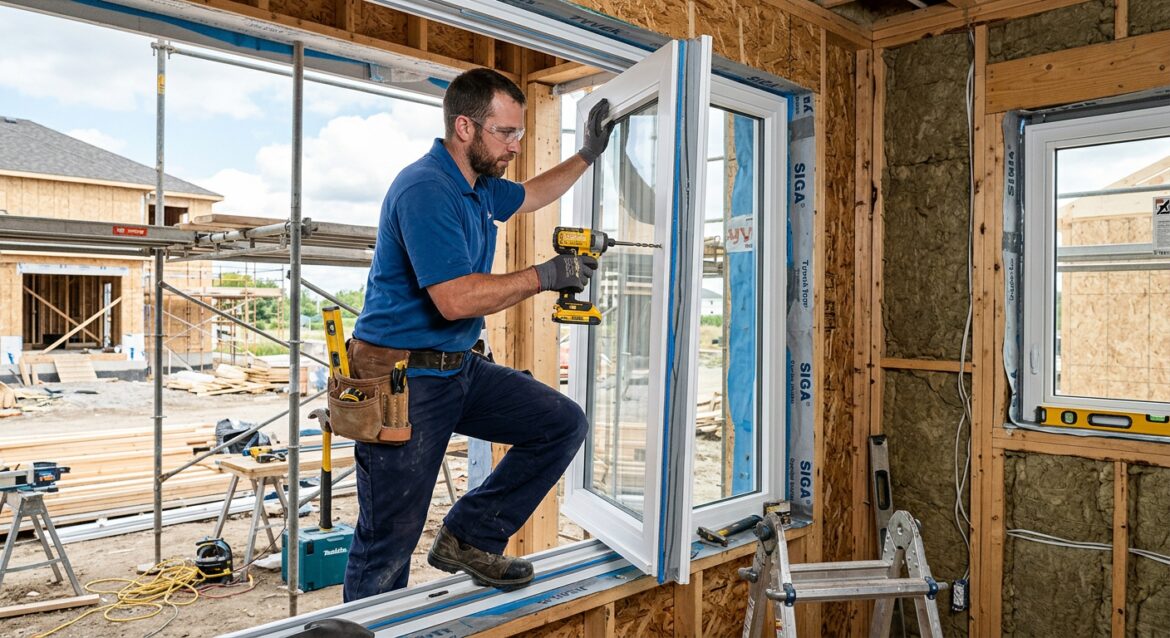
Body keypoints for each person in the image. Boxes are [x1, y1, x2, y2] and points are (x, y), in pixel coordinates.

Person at [342, 67, 615, 601]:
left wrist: (587, 154)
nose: (515, 145)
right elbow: (455, 300)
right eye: (506, 133)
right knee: (387, 541)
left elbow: (534, 195)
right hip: (402, 381)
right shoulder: (426, 187)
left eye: (518, 133)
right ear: (464, 128)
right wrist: (544, 276)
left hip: (457, 367)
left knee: (560, 424)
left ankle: (469, 536)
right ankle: (368, 625)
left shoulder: (479, 187)